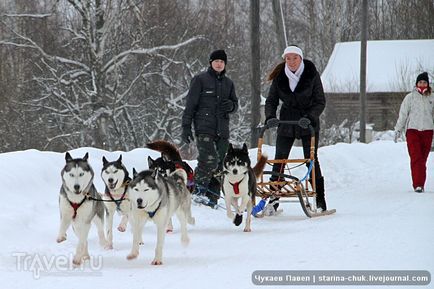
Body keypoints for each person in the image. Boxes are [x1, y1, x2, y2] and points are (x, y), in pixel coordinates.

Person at [264, 45, 327, 213]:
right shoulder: (280, 76)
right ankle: (274, 199)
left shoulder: (311, 74)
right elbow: (271, 100)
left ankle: (320, 199)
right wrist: (270, 117)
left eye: (295, 58)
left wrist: (311, 117)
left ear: (301, 58)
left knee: (311, 159)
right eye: (288, 58)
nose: (291, 62)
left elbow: (320, 101)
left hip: (308, 122)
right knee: (279, 160)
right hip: (287, 121)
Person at [181, 49, 238, 207]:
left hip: (222, 130)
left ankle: (212, 198)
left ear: (225, 64)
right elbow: (190, 105)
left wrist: (231, 106)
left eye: (222, 62)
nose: (219, 64)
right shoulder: (200, 80)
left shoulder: (228, 83)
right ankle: (198, 193)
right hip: (204, 128)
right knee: (208, 160)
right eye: (216, 61)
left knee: (219, 165)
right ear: (210, 63)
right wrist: (186, 127)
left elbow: (235, 104)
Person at [394, 72, 433, 193]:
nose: (422, 84)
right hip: (413, 131)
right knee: (416, 157)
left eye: (424, 82)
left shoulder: (432, 97)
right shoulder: (410, 97)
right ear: (417, 84)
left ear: (427, 84)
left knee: (423, 159)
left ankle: (420, 182)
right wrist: (398, 129)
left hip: (427, 131)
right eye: (420, 82)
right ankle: (418, 184)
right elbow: (403, 114)